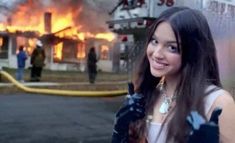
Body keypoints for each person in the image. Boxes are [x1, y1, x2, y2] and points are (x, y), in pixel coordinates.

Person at [111, 6, 235, 143]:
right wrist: (120, 132)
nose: (157, 54)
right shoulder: (147, 95)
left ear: (194, 52)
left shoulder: (218, 102)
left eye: (172, 47)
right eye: (154, 41)